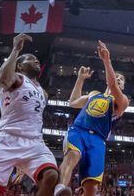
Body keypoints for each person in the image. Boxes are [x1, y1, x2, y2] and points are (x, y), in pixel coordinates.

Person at [0, 34, 71, 196]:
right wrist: (16, 50)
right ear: (19, 66)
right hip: (8, 139)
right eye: (30, 59)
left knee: (51, 175)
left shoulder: (43, 92)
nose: (36, 61)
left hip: (34, 142)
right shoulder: (17, 79)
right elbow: (2, 78)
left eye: (36, 59)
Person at [55, 41, 129, 196]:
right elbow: (73, 102)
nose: (118, 79)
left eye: (121, 79)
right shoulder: (94, 94)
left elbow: (112, 85)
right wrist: (80, 79)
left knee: (91, 186)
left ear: (122, 86)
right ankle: (59, 190)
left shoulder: (122, 101)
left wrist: (107, 61)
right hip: (79, 130)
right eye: (117, 77)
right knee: (72, 156)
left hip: (98, 139)